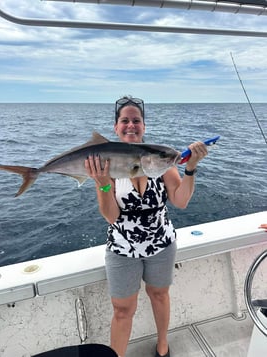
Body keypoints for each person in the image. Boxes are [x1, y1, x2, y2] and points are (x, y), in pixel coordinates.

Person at [85, 96, 208, 357]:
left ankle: (162, 345)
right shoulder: (106, 162)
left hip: (161, 243)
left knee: (160, 295)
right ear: (116, 127)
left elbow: (180, 200)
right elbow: (110, 216)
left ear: (144, 126)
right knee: (122, 310)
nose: (131, 125)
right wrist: (103, 182)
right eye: (125, 120)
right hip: (122, 247)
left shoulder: (159, 160)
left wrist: (191, 169)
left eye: (136, 120)